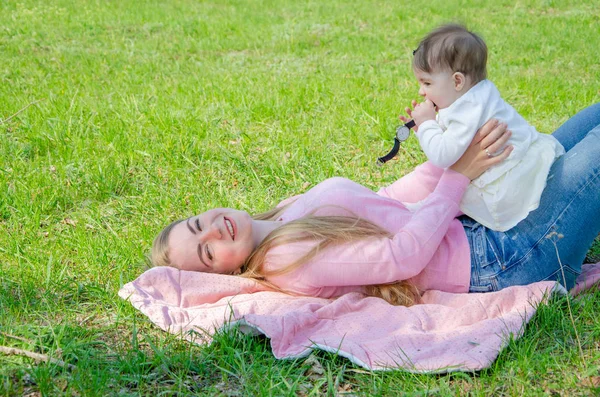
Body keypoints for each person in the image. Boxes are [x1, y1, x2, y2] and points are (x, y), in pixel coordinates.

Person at [152, 103, 600, 306]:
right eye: (208, 252)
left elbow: (385, 201)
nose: (213, 230)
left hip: (485, 219)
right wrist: (460, 174)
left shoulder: (282, 216)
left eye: (197, 224)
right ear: (228, 272)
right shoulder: (287, 260)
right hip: (506, 259)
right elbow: (400, 256)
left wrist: (453, 151)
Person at [401, 24, 565, 231]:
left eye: (427, 83)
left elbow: (443, 156)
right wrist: (424, 130)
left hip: (510, 183)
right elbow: (454, 139)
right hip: (528, 155)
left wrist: (426, 125)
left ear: (457, 81)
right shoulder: (476, 95)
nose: (421, 91)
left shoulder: (467, 109)